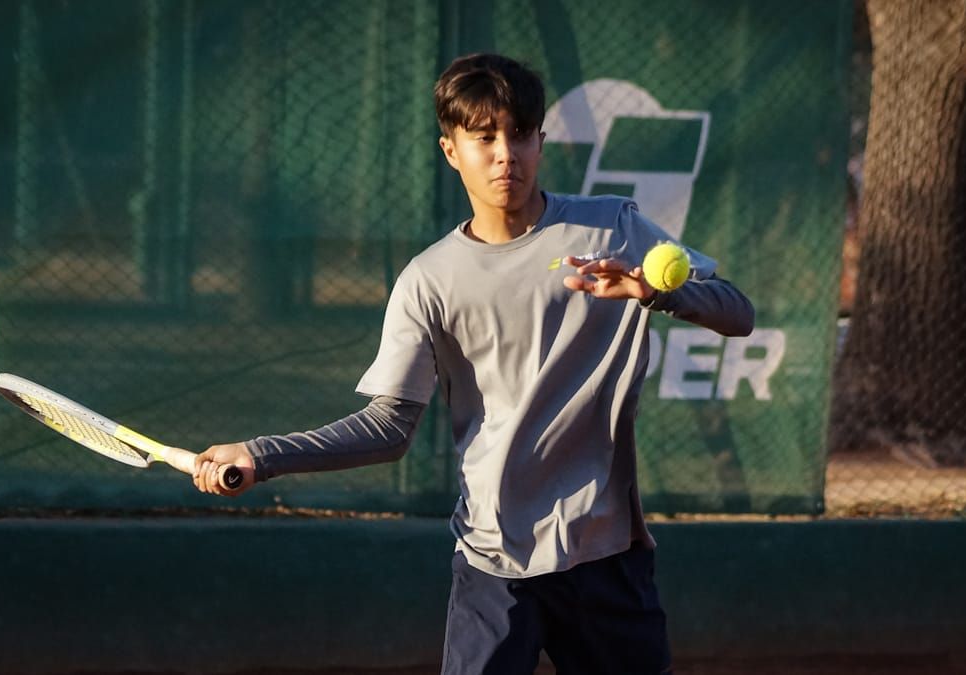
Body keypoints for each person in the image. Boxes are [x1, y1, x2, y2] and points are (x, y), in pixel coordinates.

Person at [192, 52, 754, 675]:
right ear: (451, 150)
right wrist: (262, 455)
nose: (505, 155)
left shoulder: (612, 230)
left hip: (605, 557)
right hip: (493, 566)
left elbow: (739, 313)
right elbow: (388, 428)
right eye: (483, 138)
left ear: (541, 142)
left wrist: (657, 292)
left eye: (519, 134)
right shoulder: (429, 281)